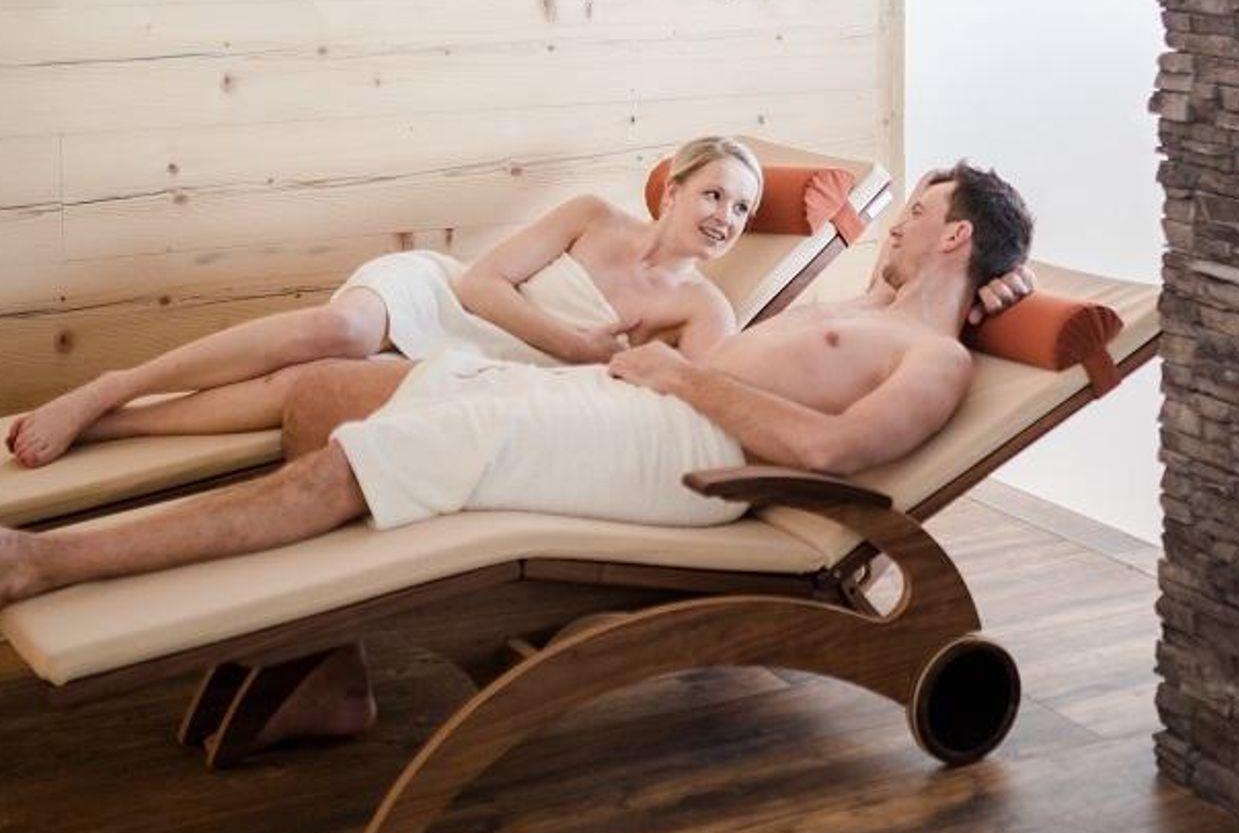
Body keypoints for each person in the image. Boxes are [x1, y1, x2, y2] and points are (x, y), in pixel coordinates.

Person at [0, 164, 1035, 618]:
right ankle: (322, 661)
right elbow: (910, 282)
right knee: (322, 395)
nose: (897, 224)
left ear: (953, 235)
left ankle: (44, 561)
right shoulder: (875, 303)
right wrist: (1000, 288)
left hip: (681, 456)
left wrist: (679, 374)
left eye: (919, 213)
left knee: (347, 468)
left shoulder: (935, 359)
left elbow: (828, 452)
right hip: (633, 401)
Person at [5, 136, 763, 469]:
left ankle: (113, 426)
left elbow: (698, 408)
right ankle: (112, 386)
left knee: (304, 387)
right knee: (341, 327)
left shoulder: (706, 313)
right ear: (672, 189)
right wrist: (575, 345)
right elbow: (478, 284)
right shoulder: (593, 215)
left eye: (743, 210)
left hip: (488, 373)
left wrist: (622, 368)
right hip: (444, 300)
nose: (725, 217)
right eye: (714, 194)